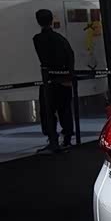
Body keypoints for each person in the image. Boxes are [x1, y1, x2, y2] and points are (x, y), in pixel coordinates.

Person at [33, 9, 75, 153]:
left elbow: (44, 59)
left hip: (49, 80)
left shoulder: (38, 39)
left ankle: (53, 140)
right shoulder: (61, 39)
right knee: (65, 110)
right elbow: (70, 55)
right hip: (64, 79)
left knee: (47, 111)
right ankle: (67, 139)